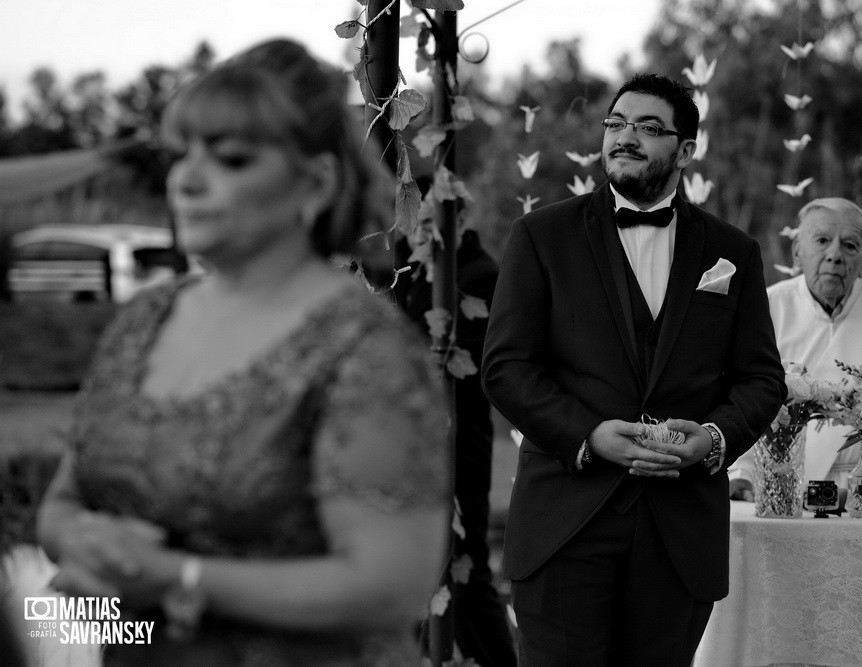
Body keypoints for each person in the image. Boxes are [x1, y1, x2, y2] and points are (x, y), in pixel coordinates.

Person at [35, 38, 450, 667]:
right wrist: (86, 554)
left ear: (315, 181)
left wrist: (178, 579)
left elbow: (391, 587)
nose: (187, 180)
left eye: (229, 159)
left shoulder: (362, 346)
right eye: (181, 155)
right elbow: (66, 504)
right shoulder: (144, 319)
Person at [481, 73, 786, 666]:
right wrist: (589, 436)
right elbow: (507, 367)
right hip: (566, 524)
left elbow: (761, 378)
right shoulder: (541, 236)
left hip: (678, 534)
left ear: (686, 150)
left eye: (649, 128)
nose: (626, 137)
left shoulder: (733, 253)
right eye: (617, 124)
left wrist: (715, 438)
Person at [729, 197, 862, 501]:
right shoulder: (765, 308)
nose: (834, 255)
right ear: (797, 253)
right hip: (784, 491)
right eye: (822, 241)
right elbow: (741, 401)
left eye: (850, 245)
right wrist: (741, 476)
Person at [392, 218, 517, 667]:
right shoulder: (404, 268)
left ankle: (499, 660)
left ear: (457, 217)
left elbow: (468, 366)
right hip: (402, 439)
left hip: (458, 438)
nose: (417, 232)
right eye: (413, 223)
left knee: (463, 566)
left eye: (428, 221)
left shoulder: (480, 274)